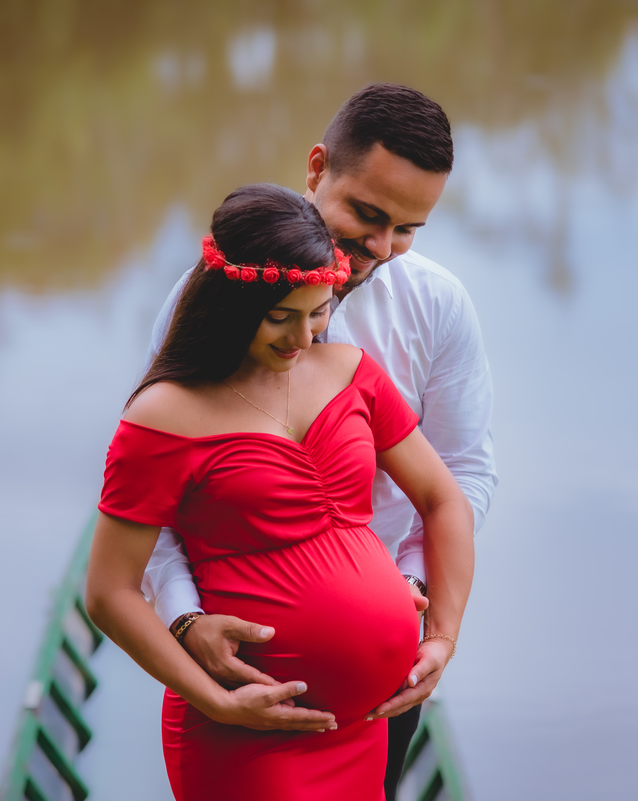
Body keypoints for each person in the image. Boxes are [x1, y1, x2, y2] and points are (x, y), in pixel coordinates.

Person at [143, 83, 497, 799]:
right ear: (316, 169)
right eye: (367, 215)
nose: (380, 248)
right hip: (243, 669)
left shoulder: (437, 305)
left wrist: (421, 601)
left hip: (384, 683)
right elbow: (150, 496)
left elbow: (463, 476)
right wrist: (186, 619)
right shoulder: (203, 308)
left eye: (407, 229)